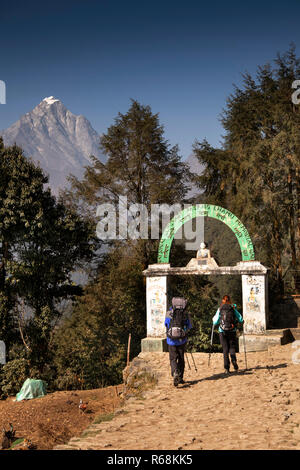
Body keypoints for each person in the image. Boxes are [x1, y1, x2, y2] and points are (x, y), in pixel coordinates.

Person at [165, 297, 192, 387]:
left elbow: (166, 324)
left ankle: (175, 372)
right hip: (181, 340)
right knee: (181, 358)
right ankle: (180, 378)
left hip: (171, 340)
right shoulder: (185, 313)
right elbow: (189, 326)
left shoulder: (169, 313)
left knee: (173, 359)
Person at [212, 294, 243, 374]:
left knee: (225, 349)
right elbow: (240, 319)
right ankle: (234, 360)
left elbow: (215, 321)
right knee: (232, 347)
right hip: (232, 330)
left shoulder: (220, 309)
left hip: (222, 331)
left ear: (222, 300)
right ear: (230, 301)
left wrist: (218, 321)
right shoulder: (232, 308)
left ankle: (227, 368)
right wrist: (241, 322)